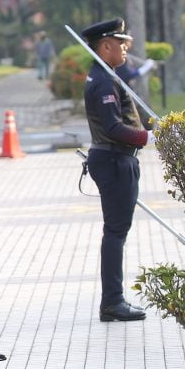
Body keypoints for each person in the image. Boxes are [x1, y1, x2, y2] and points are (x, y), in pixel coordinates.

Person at [81, 18, 148, 323]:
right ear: (105, 46)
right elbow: (113, 127)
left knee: (116, 232)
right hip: (113, 160)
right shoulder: (105, 80)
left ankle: (113, 301)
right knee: (115, 232)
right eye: (120, 43)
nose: (124, 48)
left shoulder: (106, 76)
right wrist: (146, 137)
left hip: (115, 160)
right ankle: (112, 302)